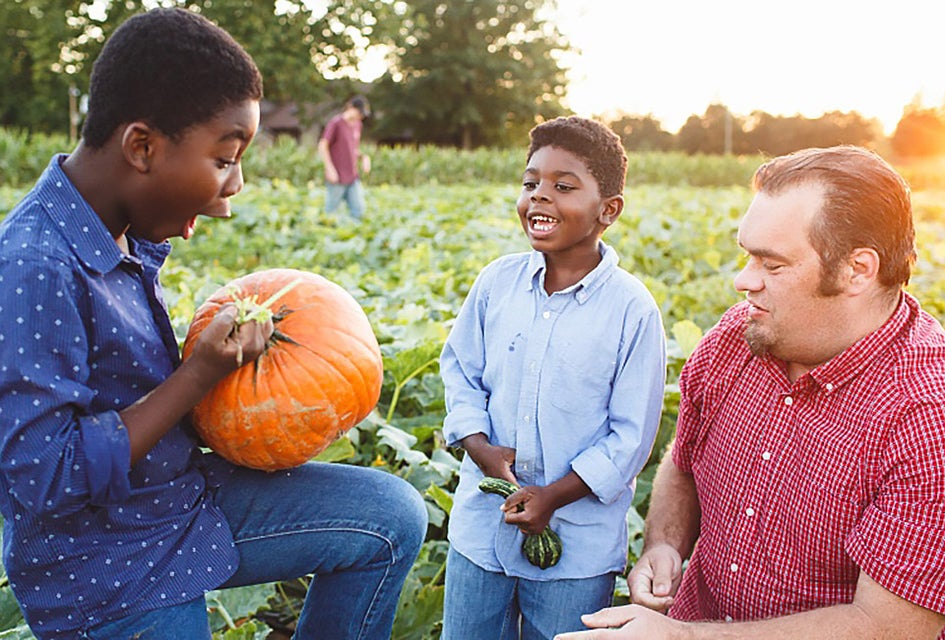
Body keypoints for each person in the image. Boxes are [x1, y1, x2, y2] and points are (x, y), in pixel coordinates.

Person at [0, 9, 426, 640]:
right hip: (112, 570)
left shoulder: (119, 233)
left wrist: (264, 392)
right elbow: (47, 475)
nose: (236, 185)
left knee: (390, 515)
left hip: (177, 500)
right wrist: (199, 372)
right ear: (142, 147)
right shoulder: (32, 266)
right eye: (225, 159)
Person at [555, 145, 945, 640]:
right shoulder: (737, 337)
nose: (743, 281)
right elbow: (684, 459)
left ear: (857, 270)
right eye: (746, 255)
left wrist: (683, 637)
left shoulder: (927, 416)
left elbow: (886, 628)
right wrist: (664, 545)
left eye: (772, 265)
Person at [439, 116, 667, 639]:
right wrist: (480, 447)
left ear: (608, 210)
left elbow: (629, 438)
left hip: (578, 547)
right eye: (530, 184)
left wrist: (553, 496)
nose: (540, 198)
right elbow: (461, 372)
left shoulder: (632, 310)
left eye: (563, 187)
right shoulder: (497, 282)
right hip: (482, 527)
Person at [318, 95, 372, 220]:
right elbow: (322, 145)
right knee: (330, 214)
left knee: (359, 211)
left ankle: (355, 238)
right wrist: (329, 169)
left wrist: (364, 157)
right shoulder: (336, 123)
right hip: (337, 176)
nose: (361, 116)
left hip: (352, 176)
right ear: (350, 107)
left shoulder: (358, 125)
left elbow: (353, 149)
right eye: (359, 112)